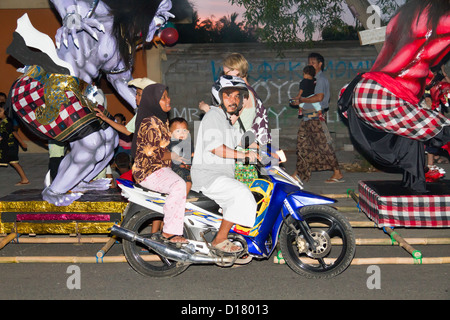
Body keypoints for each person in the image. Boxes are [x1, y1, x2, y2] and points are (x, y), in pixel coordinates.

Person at [339, 0, 450, 193]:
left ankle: (415, 184)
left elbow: (419, 69)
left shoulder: (400, 19)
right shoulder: (437, 19)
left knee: (412, 137)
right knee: (443, 129)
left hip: (362, 91)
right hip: (383, 96)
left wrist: (439, 86)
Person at [191, 75, 258, 254]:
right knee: (241, 193)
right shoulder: (213, 116)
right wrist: (244, 156)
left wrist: (270, 149)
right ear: (219, 97)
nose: (233, 100)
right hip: (208, 176)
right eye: (228, 95)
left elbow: (242, 140)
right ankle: (220, 239)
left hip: (219, 175)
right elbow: (216, 148)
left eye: (237, 96)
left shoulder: (225, 119)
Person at [131, 83, 188, 245]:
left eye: (167, 96)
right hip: (148, 171)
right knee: (179, 185)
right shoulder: (150, 123)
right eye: (163, 98)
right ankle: (169, 232)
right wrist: (175, 156)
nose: (168, 100)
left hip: (158, 168)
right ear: (153, 100)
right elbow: (153, 152)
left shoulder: (160, 120)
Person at [294, 52, 344, 183]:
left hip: (315, 117)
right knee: (303, 144)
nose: (310, 65)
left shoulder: (320, 80)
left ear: (320, 64)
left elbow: (319, 97)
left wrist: (301, 100)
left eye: (313, 63)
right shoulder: (311, 80)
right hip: (308, 116)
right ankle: (298, 173)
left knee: (323, 144)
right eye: (309, 62)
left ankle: (337, 172)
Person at [0, 101, 30, 186]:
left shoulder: (7, 122)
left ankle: (25, 179)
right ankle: (24, 179)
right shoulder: (3, 122)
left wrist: (22, 142)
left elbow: (14, 133)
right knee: (13, 162)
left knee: (13, 162)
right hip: (5, 146)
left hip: (10, 146)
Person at [168, 117, 192, 194]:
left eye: (184, 131)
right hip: (176, 169)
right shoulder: (172, 143)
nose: (182, 133)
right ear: (170, 134)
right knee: (187, 181)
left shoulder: (188, 143)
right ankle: (182, 199)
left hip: (188, 168)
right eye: (178, 131)